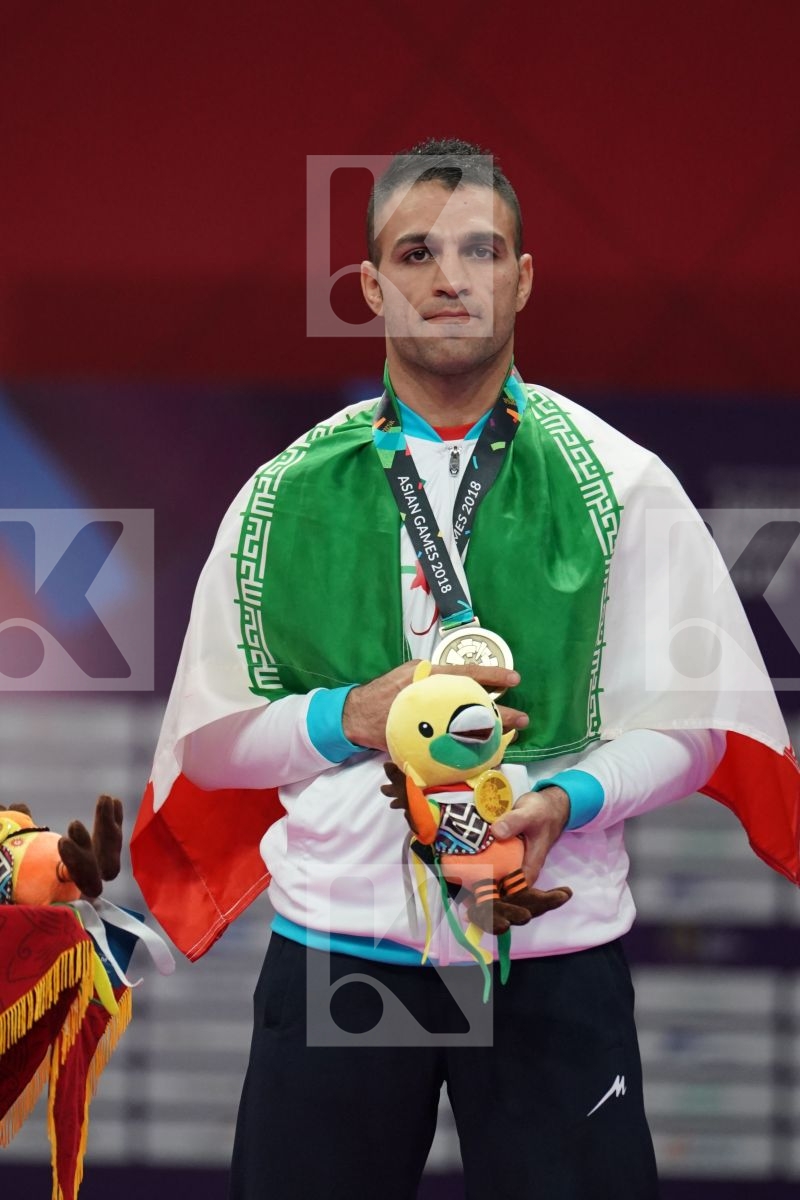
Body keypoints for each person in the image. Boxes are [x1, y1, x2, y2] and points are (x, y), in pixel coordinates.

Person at [131, 138, 800, 1199]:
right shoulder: (284, 493)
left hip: (546, 955)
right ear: (369, 286)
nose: (449, 278)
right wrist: (349, 716)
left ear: (522, 277)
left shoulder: (620, 481)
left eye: (481, 251)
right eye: (415, 253)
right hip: (344, 954)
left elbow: (696, 726)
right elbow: (209, 743)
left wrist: (563, 801)